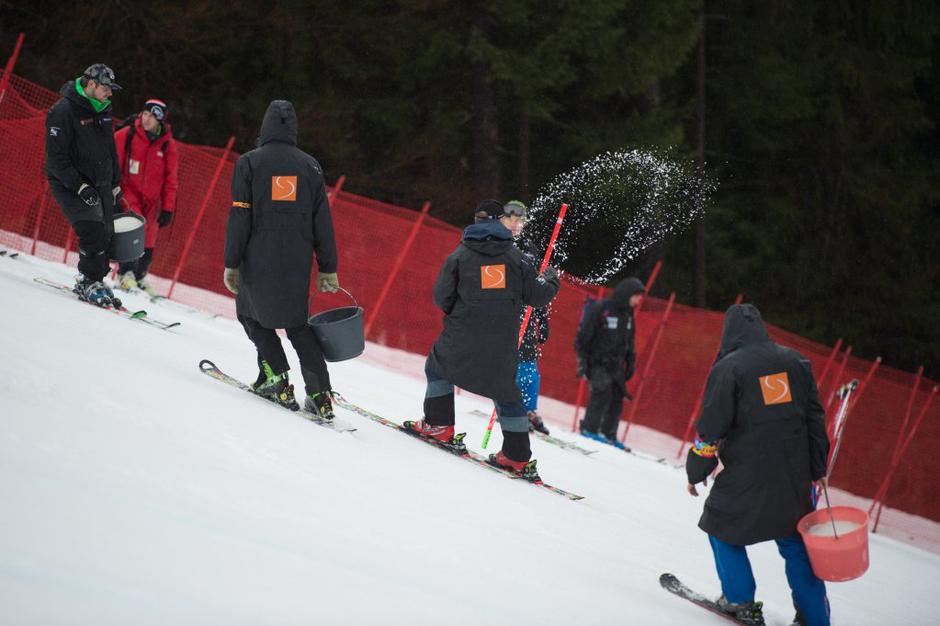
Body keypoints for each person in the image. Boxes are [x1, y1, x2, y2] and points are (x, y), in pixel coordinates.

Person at [685, 304, 831, 626]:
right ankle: (815, 618)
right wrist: (818, 469)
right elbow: (814, 420)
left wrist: (696, 471)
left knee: (720, 526)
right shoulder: (796, 362)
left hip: (747, 473)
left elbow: (711, 427)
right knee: (795, 541)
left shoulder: (729, 367)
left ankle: (740, 602)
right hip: (794, 476)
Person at [405, 199, 560, 479]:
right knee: (505, 391)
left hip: (461, 332)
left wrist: (459, 312)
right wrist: (551, 280)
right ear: (500, 221)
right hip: (501, 340)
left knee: (437, 367)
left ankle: (439, 426)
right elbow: (538, 296)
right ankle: (515, 457)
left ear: (476, 221)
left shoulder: (460, 255)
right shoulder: (517, 258)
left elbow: (442, 297)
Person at [223, 100, 340, 419]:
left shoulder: (249, 163)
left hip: (257, 256)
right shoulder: (310, 166)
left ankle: (276, 378)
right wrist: (328, 267)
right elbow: (323, 222)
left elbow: (239, 217)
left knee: (250, 315)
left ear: (265, 126)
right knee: (297, 324)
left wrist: (231, 261)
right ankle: (320, 395)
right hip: (297, 261)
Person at [44, 63, 125, 307]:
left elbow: (109, 149)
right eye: (106, 88)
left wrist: (115, 182)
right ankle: (88, 281)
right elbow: (56, 159)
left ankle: (96, 279)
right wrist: (79, 186)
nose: (110, 93)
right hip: (69, 181)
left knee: (107, 231)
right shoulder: (63, 110)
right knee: (92, 231)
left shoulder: (103, 108)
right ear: (91, 84)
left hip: (99, 180)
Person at [114, 98, 179, 296]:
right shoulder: (128, 135)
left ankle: (140, 275)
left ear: (160, 121)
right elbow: (113, 163)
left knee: (150, 236)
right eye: (145, 114)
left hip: (153, 201)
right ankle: (125, 273)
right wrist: (112, 191)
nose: (147, 119)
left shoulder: (168, 146)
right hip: (129, 192)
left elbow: (171, 180)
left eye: (152, 116)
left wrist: (168, 208)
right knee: (134, 226)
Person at [500, 199, 552, 435]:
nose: (514, 224)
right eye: (510, 218)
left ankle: (528, 410)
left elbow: (536, 285)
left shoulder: (529, 249)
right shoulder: (495, 242)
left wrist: (542, 317)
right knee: (503, 360)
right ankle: (508, 406)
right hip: (500, 310)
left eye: (519, 220)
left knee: (528, 362)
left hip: (525, 313)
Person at [574, 277, 644, 446]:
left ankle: (609, 434)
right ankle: (589, 429)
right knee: (602, 392)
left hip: (616, 364)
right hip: (597, 361)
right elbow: (584, 335)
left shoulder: (628, 315)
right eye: (636, 296)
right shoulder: (602, 308)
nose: (638, 300)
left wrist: (631, 361)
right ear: (627, 294)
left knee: (617, 397)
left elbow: (630, 340)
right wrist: (583, 361)